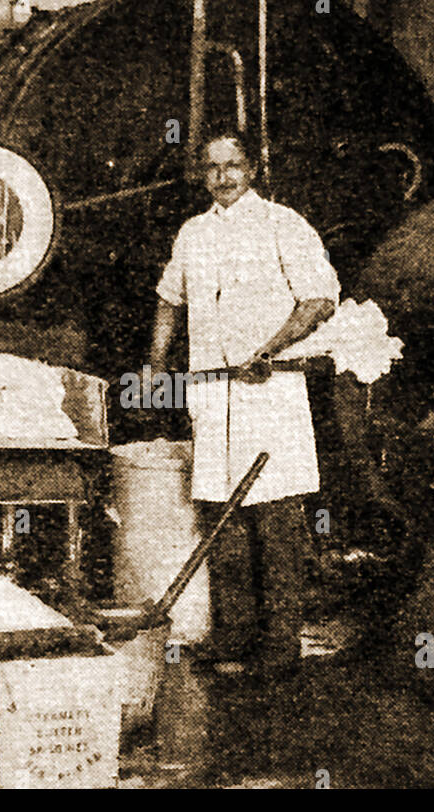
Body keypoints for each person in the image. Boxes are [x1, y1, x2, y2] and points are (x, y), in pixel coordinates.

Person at [148, 127, 338, 677]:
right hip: (211, 389)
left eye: (233, 166)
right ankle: (232, 636)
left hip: (270, 387)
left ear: (252, 169)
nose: (223, 177)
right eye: (212, 168)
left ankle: (280, 649)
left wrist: (269, 348)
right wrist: (157, 363)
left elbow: (319, 298)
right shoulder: (192, 233)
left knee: (275, 519)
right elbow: (168, 300)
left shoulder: (283, 223)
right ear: (201, 175)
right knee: (222, 516)